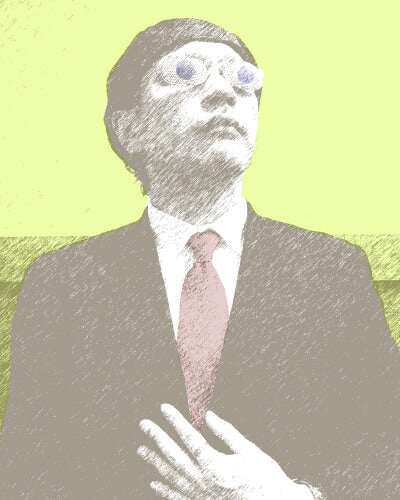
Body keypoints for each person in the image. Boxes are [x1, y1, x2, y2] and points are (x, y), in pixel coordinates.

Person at [0, 18, 399, 499]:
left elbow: (387, 450)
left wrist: (293, 496)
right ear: (129, 128)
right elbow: (27, 472)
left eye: (243, 78)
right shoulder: (64, 283)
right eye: (186, 72)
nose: (224, 92)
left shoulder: (334, 271)